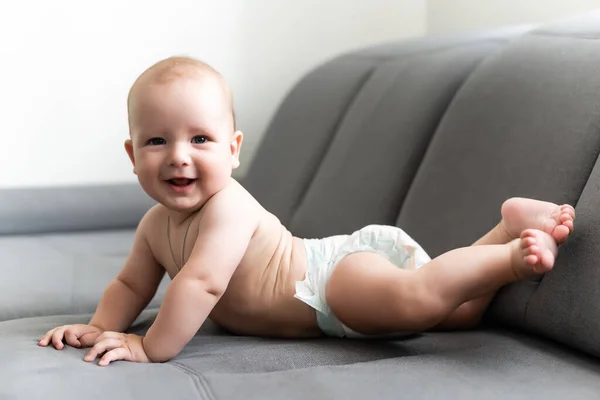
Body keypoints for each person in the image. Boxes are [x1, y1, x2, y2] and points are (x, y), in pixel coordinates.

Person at [38, 56, 576, 366]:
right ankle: (504, 226)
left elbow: (201, 284)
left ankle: (511, 258)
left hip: (327, 280)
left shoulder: (228, 207)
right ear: (133, 156)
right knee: (456, 313)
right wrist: (101, 325)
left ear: (233, 149)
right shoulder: (155, 226)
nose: (180, 155)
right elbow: (131, 286)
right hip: (325, 296)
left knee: (419, 298)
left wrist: (147, 347)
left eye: (201, 138)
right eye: (157, 140)